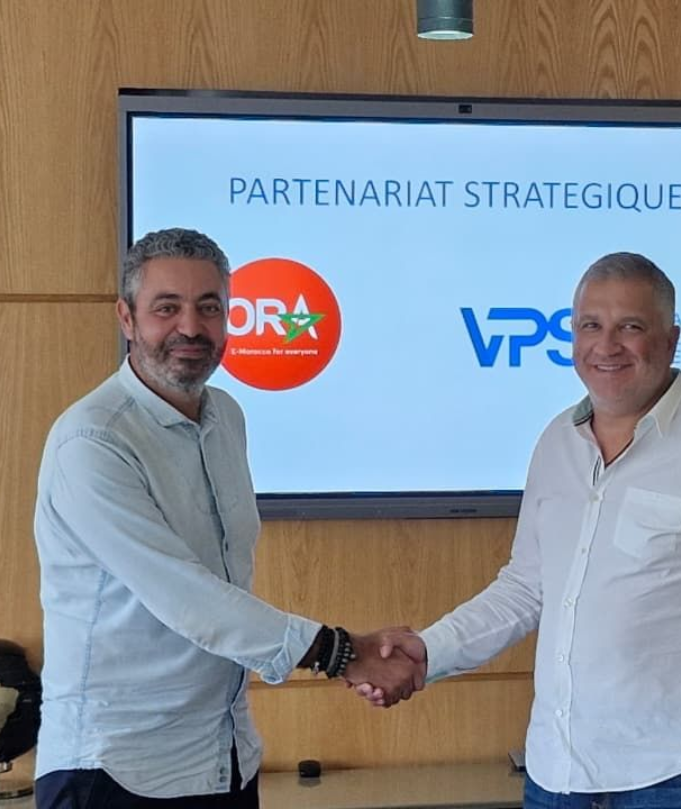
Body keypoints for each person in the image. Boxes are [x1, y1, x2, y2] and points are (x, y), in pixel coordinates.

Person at [361, 253, 681, 809]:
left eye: (631, 326)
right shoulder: (557, 441)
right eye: (590, 325)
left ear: (672, 340)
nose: (607, 346)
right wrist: (427, 650)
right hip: (556, 776)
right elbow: (526, 588)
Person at [32, 228, 420, 809]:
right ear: (127, 318)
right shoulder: (92, 441)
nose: (191, 327)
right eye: (167, 308)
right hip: (116, 771)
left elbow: (226, 586)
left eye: (209, 307)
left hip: (223, 759)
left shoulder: (226, 418)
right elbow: (189, 598)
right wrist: (341, 652)